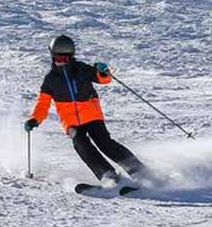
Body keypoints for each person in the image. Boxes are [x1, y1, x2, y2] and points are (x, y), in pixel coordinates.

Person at [25, 34, 146, 184]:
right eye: (58, 58)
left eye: (65, 58)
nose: (62, 62)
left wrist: (103, 72)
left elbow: (103, 79)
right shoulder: (50, 79)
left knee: (105, 143)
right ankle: (107, 175)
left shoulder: (81, 69)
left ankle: (138, 170)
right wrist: (35, 119)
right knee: (81, 144)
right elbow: (42, 103)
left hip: (92, 116)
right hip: (71, 122)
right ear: (52, 56)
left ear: (72, 56)